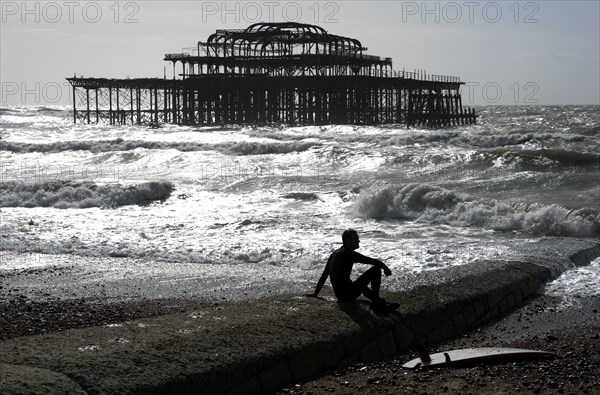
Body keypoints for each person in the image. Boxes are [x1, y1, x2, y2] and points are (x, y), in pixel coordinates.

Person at [308, 229, 398, 313]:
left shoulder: (333, 254)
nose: (359, 241)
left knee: (361, 285)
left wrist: (316, 293)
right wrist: (385, 268)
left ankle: (379, 301)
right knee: (376, 270)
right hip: (348, 295)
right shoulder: (348, 254)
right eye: (356, 239)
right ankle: (377, 305)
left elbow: (324, 275)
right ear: (348, 241)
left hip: (340, 295)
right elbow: (372, 261)